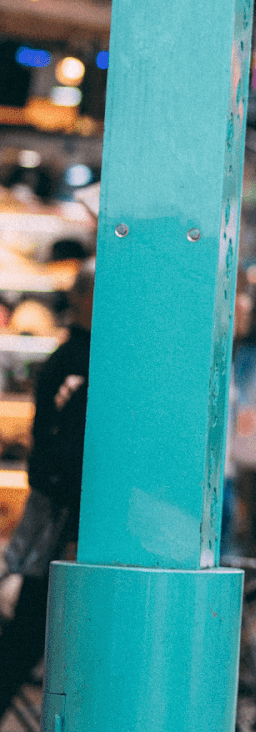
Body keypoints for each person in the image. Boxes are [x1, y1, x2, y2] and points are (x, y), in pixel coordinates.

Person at [0, 263, 93, 712]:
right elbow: (63, 452)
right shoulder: (82, 362)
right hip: (63, 520)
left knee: (29, 636)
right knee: (29, 637)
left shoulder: (73, 356)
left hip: (60, 515)